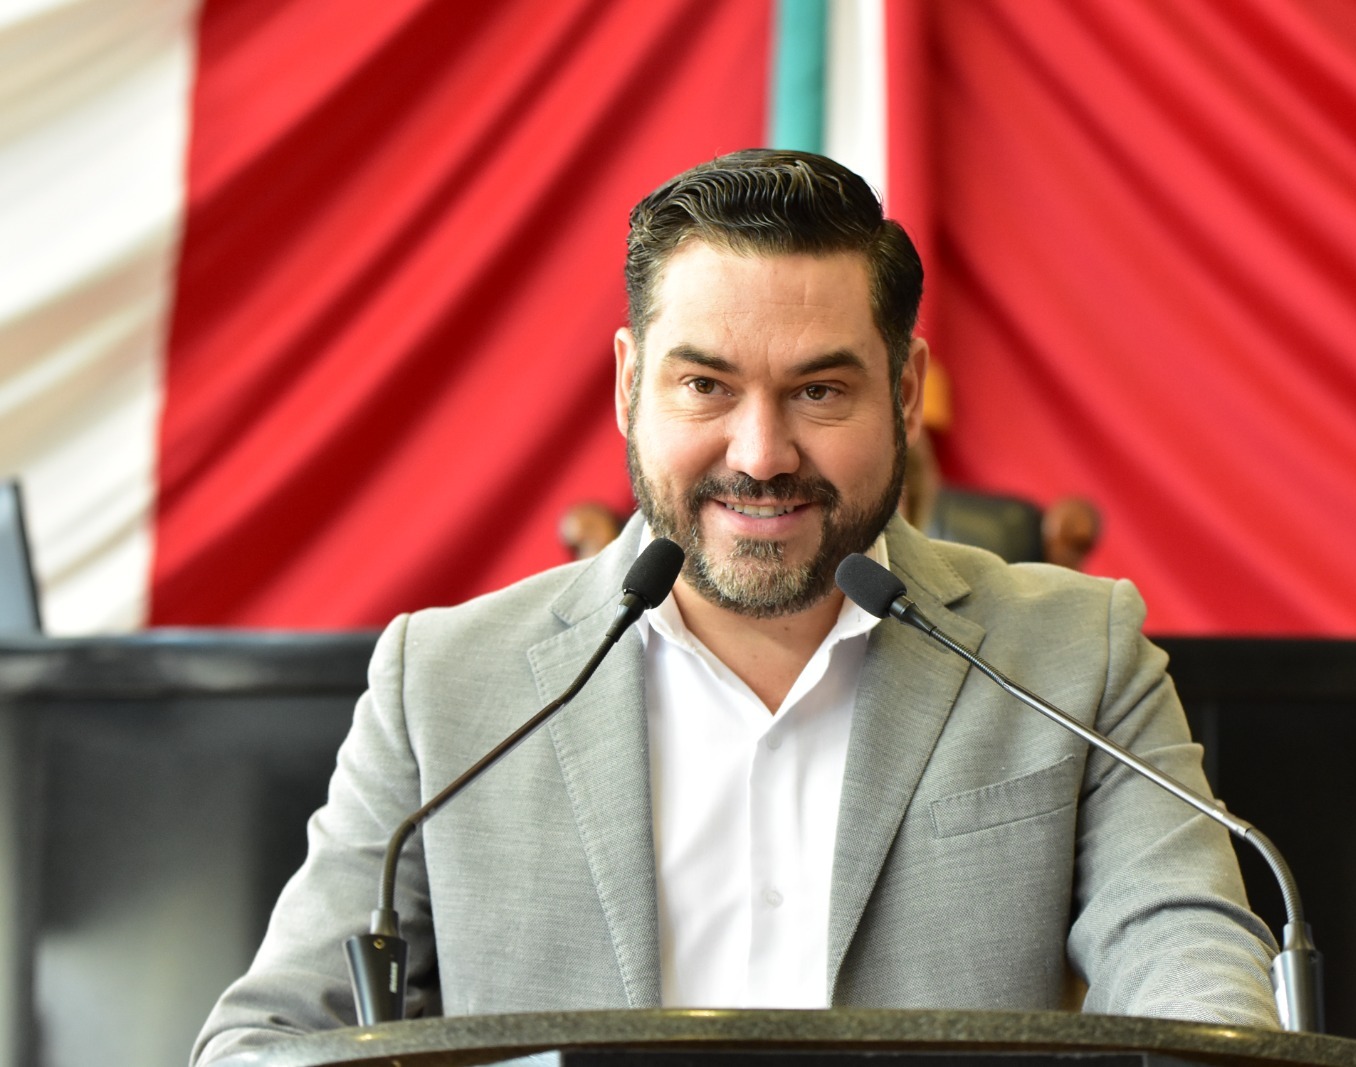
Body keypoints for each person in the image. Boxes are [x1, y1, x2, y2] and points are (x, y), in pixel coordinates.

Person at [191, 150, 1278, 1066]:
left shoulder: (1076, 653)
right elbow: (266, 1039)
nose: (760, 455)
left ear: (904, 391)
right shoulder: (442, 682)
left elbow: (1195, 973)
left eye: (819, 390)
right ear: (630, 385)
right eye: (706, 386)